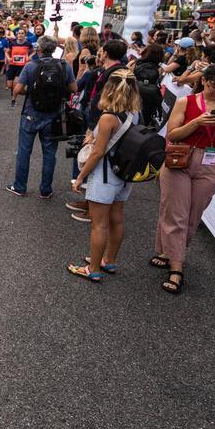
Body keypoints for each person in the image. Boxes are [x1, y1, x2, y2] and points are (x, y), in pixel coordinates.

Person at [154, 64, 215, 294]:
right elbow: (172, 134)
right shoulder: (187, 102)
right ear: (204, 80)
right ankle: (177, 268)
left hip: (213, 162)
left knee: (193, 215)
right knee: (176, 211)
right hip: (181, 157)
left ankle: (169, 250)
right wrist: (197, 122)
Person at [67, 70, 142, 282]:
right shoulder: (133, 113)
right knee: (116, 220)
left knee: (98, 224)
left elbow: (98, 152)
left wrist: (81, 176)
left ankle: (92, 269)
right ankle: (109, 260)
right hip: (124, 174)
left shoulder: (109, 117)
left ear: (109, 89)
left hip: (106, 174)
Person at [7, 36, 76, 199]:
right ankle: (45, 190)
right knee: (50, 154)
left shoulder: (31, 66)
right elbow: (74, 88)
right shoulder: (64, 66)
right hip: (54, 115)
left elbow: (18, 89)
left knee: (24, 151)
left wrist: (25, 93)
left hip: (31, 113)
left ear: (39, 49)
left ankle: (20, 186)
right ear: (54, 49)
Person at [5, 28, 33, 105]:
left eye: (22, 33)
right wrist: (8, 58)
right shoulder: (12, 44)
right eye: (19, 33)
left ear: (25, 35)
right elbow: (7, 52)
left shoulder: (28, 44)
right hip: (12, 66)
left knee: (15, 84)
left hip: (22, 67)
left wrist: (29, 57)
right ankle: (27, 93)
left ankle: (13, 100)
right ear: (17, 35)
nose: (20, 35)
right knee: (9, 85)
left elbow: (34, 51)